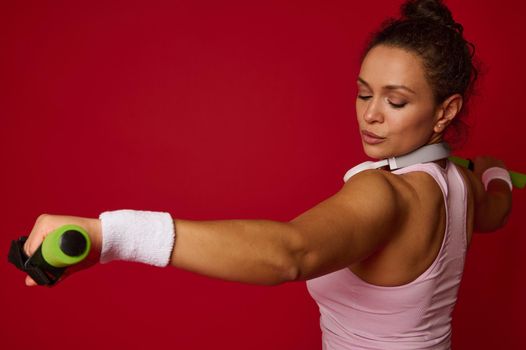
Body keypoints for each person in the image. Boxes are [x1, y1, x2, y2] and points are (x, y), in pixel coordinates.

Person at [21, 0, 513, 348]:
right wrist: (497, 175)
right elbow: (497, 210)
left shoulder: (385, 192)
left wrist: (112, 235)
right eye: (364, 94)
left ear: (446, 111)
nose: (371, 115)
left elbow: (290, 253)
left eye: (396, 100)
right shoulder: (463, 186)